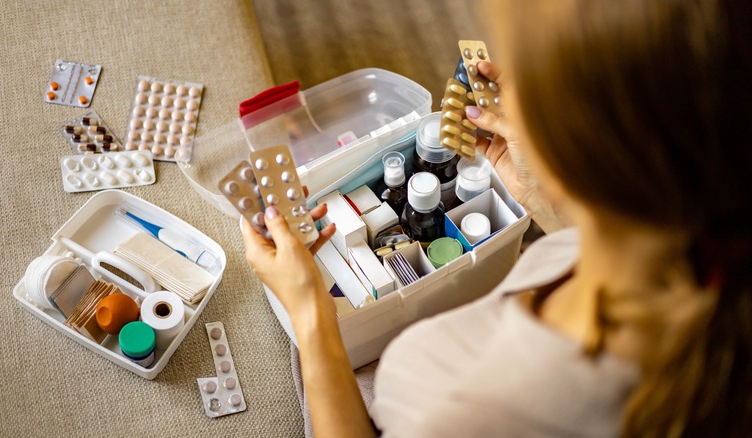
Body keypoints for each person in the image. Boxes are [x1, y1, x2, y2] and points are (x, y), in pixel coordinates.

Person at [241, 0, 752, 435]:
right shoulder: (699, 264)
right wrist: (542, 199)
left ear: (573, 150)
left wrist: (310, 310)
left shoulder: (467, 408)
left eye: (528, 82)